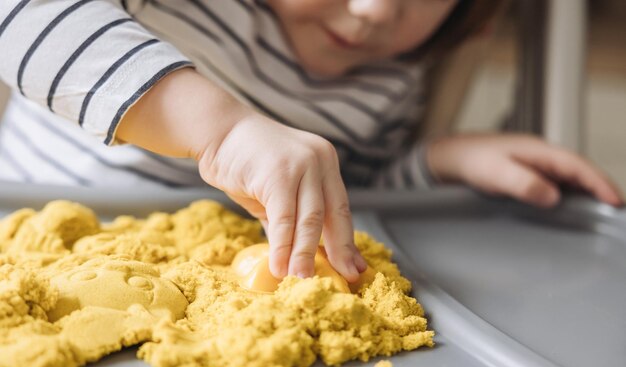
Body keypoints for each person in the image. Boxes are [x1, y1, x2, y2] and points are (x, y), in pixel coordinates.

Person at [0, 0, 621, 283]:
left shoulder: (391, 75)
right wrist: (222, 128)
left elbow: (348, 195)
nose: (375, 10)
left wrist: (440, 162)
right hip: (35, 254)